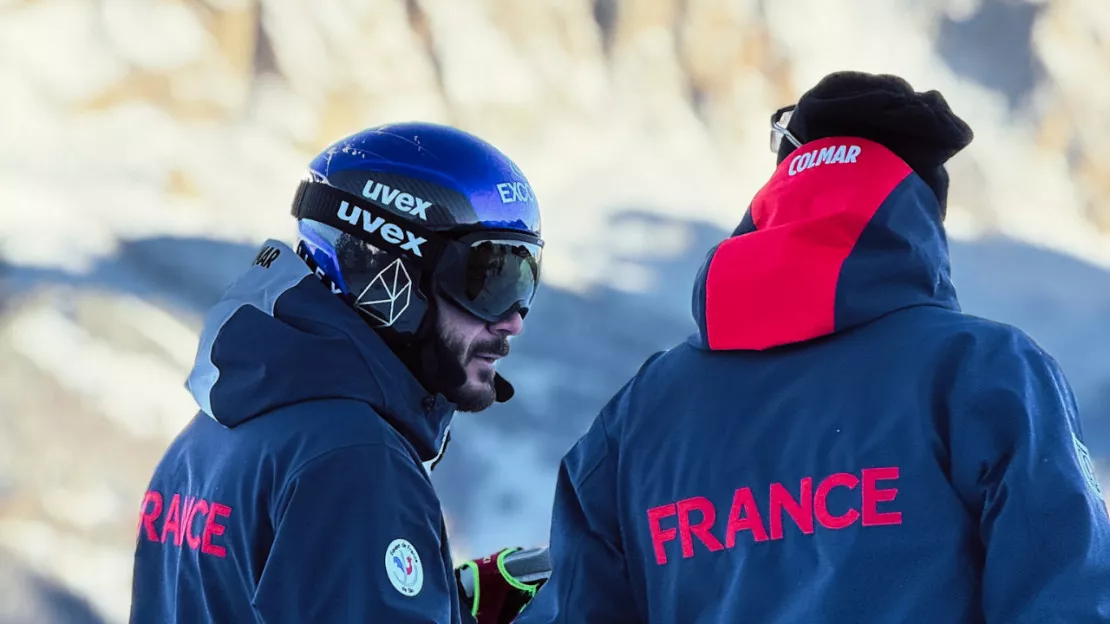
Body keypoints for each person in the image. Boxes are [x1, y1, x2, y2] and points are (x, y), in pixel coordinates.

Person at [514, 71, 1110, 623]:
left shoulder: (636, 417)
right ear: (923, 214)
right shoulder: (986, 375)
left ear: (776, 193)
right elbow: (1069, 601)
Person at [129, 122, 547, 623]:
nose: (514, 319)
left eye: (526, 276)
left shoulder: (206, 441)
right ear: (389, 271)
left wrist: (449, 605)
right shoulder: (355, 461)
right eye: (489, 278)